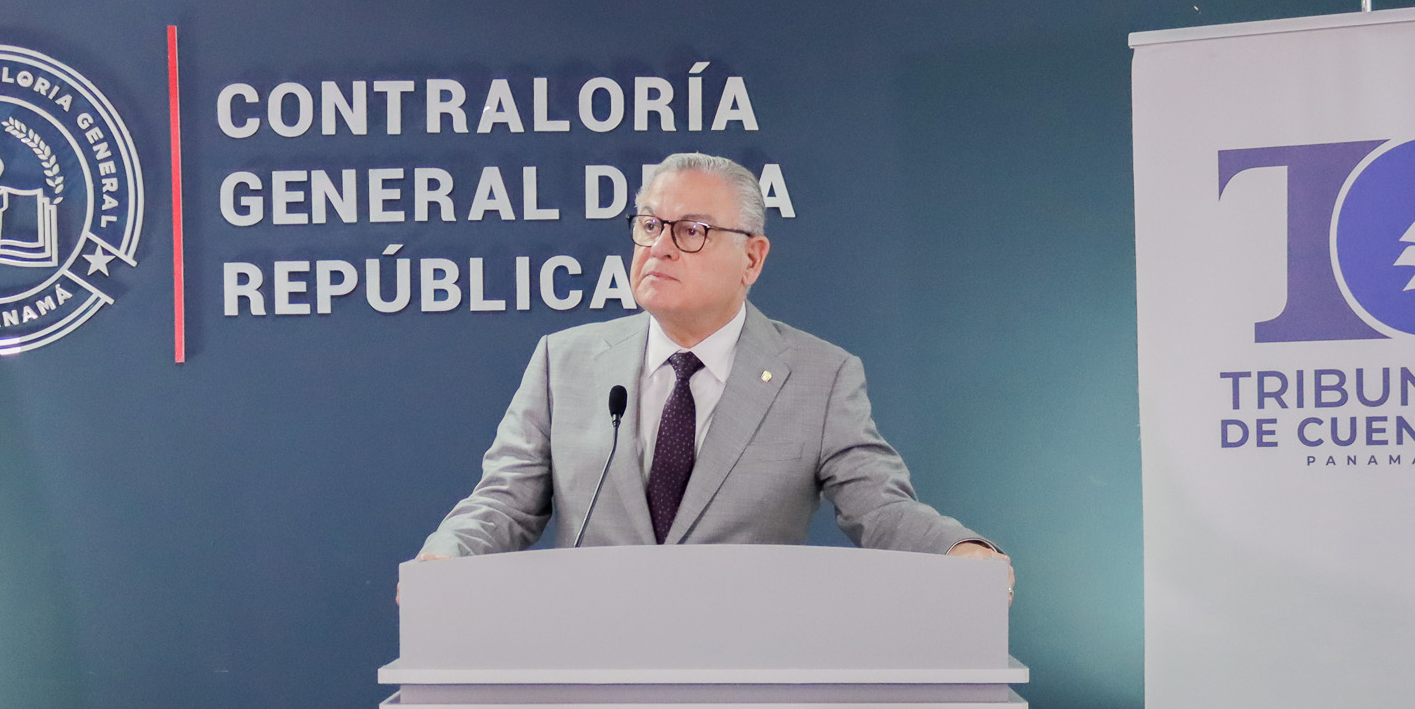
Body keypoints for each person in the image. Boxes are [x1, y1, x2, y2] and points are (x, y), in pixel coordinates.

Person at [414, 152, 1008, 593]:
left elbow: (879, 507)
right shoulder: (562, 361)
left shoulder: (820, 376)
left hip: (748, 675)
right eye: (650, 225)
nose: (660, 247)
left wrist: (957, 550)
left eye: (691, 231)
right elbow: (505, 502)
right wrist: (446, 556)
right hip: (593, 669)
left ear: (752, 257)